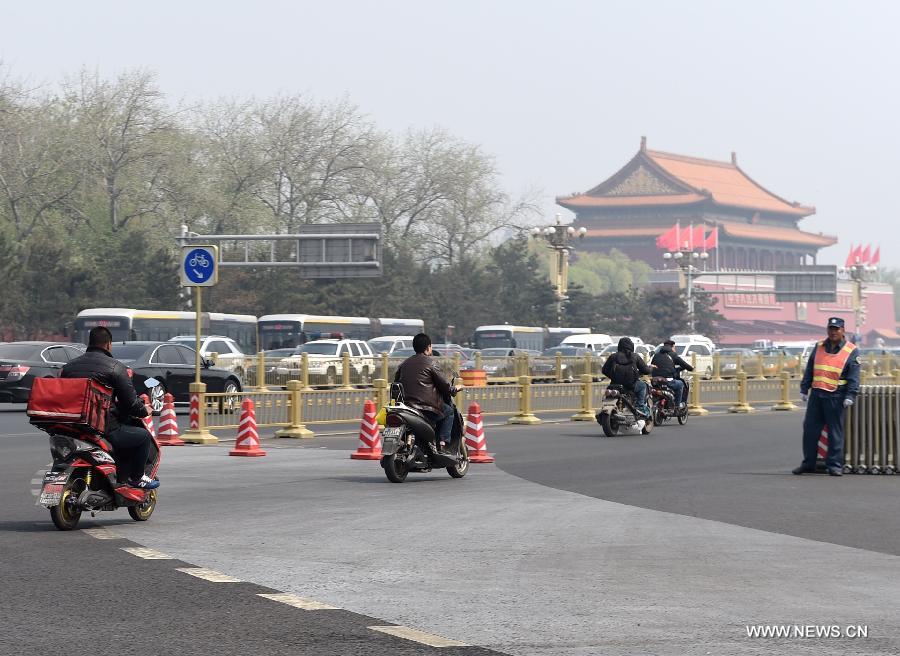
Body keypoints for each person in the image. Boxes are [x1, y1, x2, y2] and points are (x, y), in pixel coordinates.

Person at [61, 326, 160, 489]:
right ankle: (137, 478)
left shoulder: (69, 367)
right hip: (102, 427)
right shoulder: (115, 367)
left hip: (71, 425)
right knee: (142, 436)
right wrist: (144, 410)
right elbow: (130, 403)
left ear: (89, 343)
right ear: (108, 345)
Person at [794, 317, 860, 477]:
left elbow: (854, 376)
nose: (833, 332)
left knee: (835, 433)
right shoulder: (819, 347)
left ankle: (835, 465)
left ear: (843, 330)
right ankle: (808, 464)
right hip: (817, 395)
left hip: (836, 396)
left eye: (836, 329)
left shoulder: (851, 350)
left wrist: (850, 395)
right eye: (831, 328)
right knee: (810, 431)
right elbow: (810, 368)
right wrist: (804, 388)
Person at [394, 333, 461, 453]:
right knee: (449, 412)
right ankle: (443, 444)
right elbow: (445, 386)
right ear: (428, 347)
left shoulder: (403, 365)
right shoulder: (431, 364)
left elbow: (396, 382)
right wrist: (455, 389)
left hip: (406, 407)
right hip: (426, 408)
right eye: (430, 346)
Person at [601, 337, 654, 418]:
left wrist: (614, 376)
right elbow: (646, 371)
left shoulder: (613, 356)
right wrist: (651, 368)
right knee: (643, 385)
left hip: (615, 385)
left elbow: (604, 370)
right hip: (631, 385)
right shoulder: (635, 356)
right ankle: (640, 407)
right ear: (631, 346)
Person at [651, 339, 693, 409]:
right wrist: (691, 368)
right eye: (674, 347)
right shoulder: (673, 354)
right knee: (680, 384)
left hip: (656, 381)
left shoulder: (656, 355)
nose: (675, 349)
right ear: (672, 347)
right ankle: (677, 405)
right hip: (668, 381)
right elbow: (683, 364)